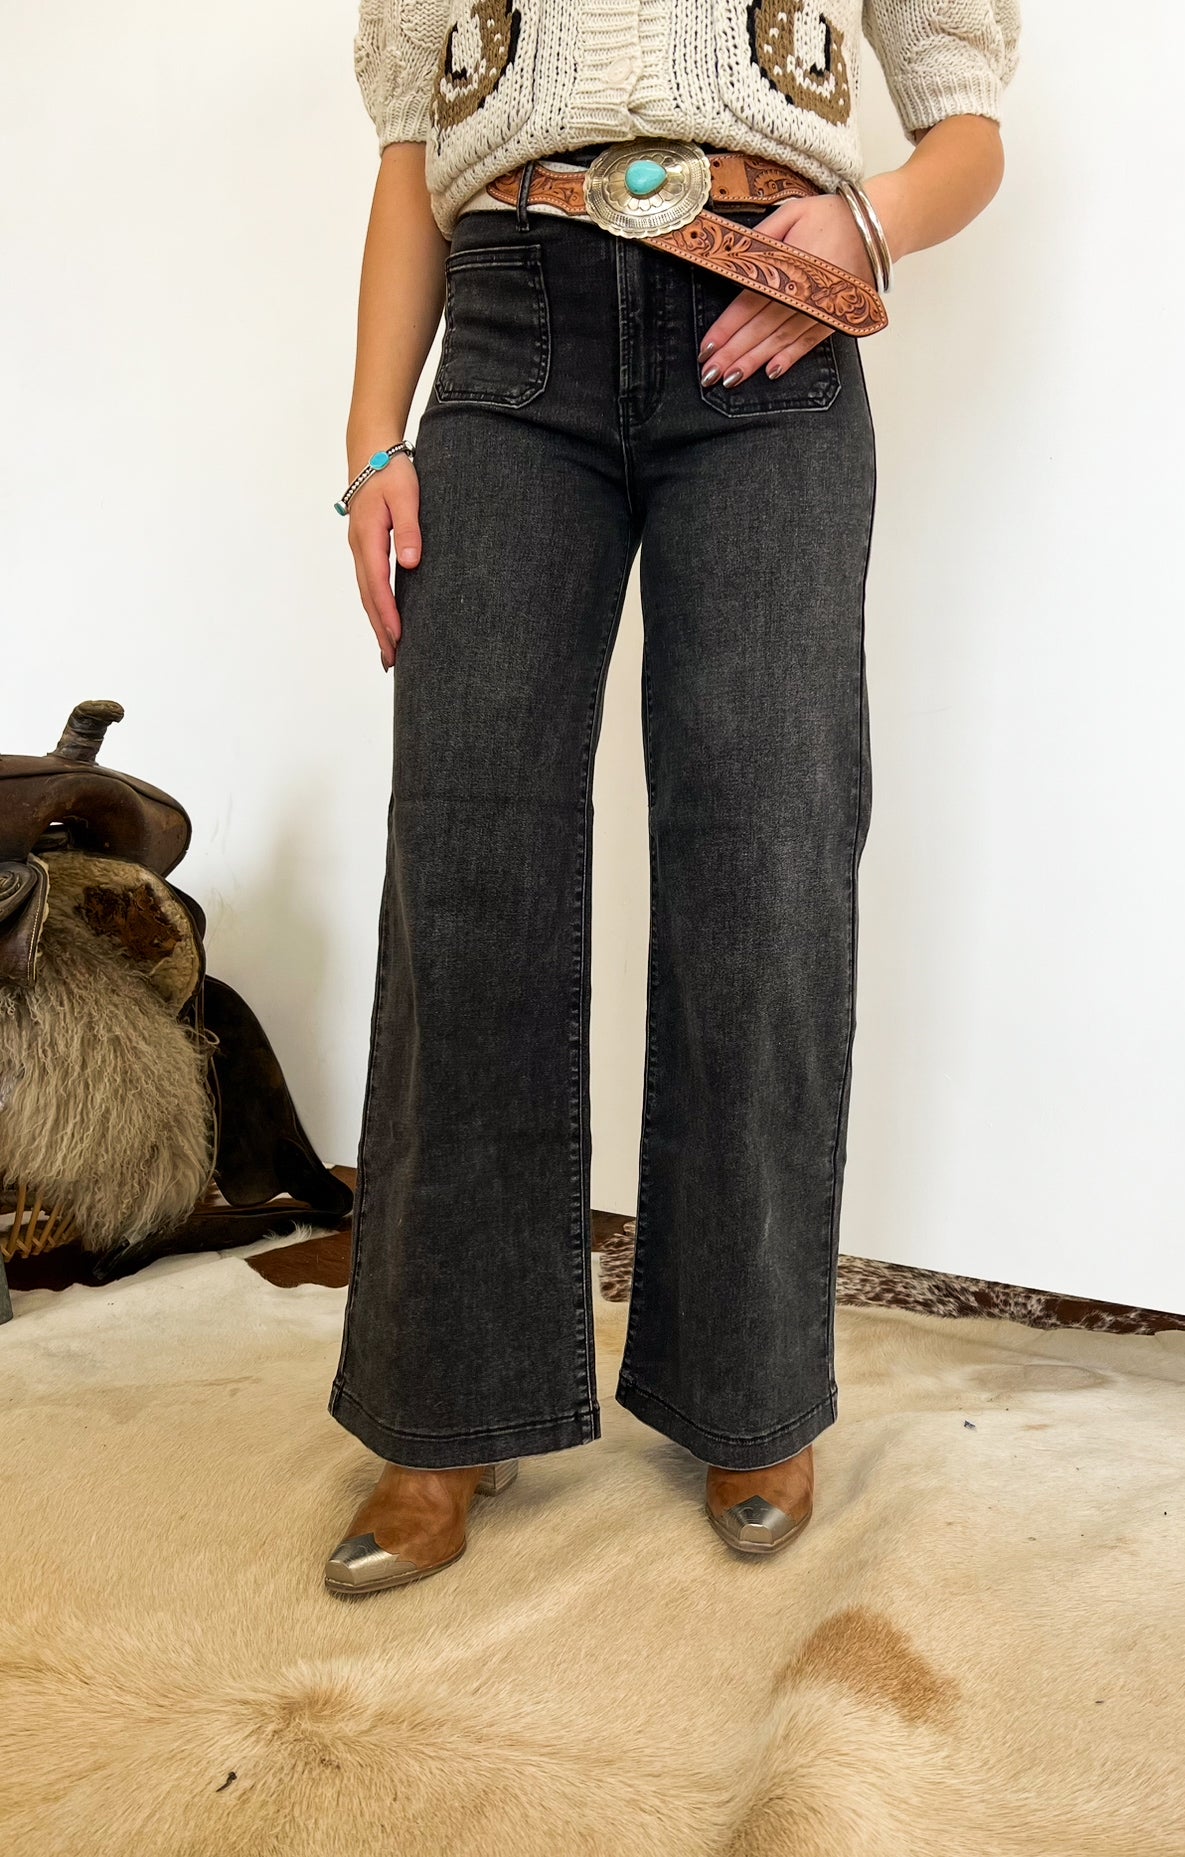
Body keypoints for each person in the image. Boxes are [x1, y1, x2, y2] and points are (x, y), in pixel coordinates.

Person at [324, 0, 1020, 1595]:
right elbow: (412, 153)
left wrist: (864, 227)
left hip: (766, 317)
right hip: (509, 333)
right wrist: (372, 441)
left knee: (766, 855)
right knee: (465, 860)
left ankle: (750, 1386)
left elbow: (968, 131)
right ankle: (445, 1403)